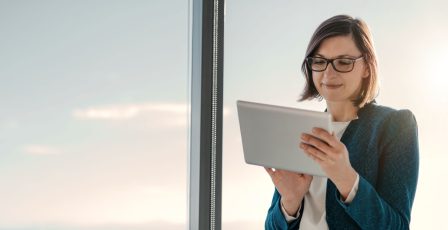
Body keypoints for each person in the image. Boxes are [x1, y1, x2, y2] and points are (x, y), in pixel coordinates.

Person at [264, 15, 419, 229]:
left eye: (343, 62)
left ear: (367, 66)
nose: (328, 73)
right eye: (319, 61)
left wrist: (347, 179)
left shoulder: (395, 126)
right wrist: (289, 203)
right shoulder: (300, 130)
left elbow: (397, 227)